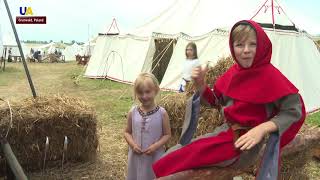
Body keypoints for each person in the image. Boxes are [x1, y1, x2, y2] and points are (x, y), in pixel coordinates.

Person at [152, 20, 305, 179]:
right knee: (172, 153)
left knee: (177, 160)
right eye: (240, 45)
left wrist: (262, 129)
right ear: (232, 47)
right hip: (224, 133)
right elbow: (217, 103)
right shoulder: (233, 74)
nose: (246, 50)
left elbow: (294, 110)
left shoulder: (272, 77)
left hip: (243, 145)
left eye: (253, 44)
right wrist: (202, 86)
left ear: (262, 45)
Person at [124, 73, 171, 180]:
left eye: (148, 92)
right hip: (136, 156)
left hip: (155, 156)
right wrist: (133, 145)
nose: (144, 96)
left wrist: (156, 146)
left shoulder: (162, 113)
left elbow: (167, 135)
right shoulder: (133, 112)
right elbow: (127, 132)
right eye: (140, 93)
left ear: (156, 90)